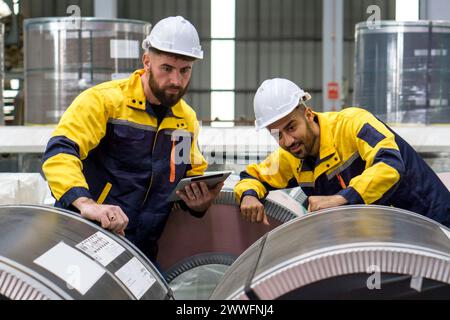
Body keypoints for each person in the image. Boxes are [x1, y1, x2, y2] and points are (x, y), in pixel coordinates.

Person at [42, 16, 223, 263]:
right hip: (87, 238)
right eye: (167, 68)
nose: (176, 81)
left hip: (141, 249)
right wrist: (86, 203)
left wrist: (198, 203)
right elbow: (60, 153)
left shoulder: (185, 119)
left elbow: (184, 177)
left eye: (185, 70)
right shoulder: (104, 102)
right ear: (147, 62)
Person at [235, 78, 450, 227]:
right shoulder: (290, 155)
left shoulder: (352, 123)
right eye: (277, 134)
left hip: (431, 222)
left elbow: (390, 165)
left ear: (308, 114)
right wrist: (248, 195)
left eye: (291, 127)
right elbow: (251, 177)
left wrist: (341, 198)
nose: (287, 141)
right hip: (385, 237)